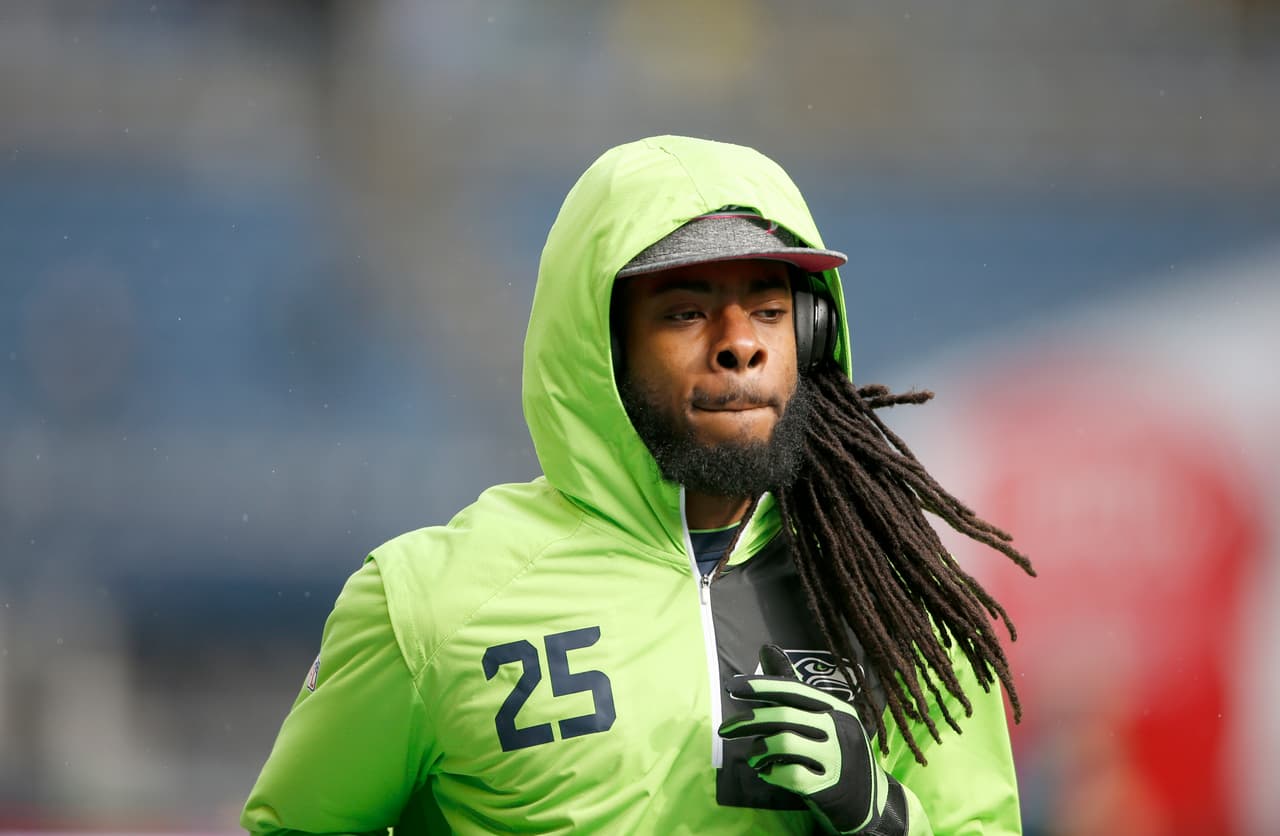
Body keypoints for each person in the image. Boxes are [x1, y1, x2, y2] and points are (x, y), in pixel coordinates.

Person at [241, 135, 1035, 834]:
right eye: (687, 313)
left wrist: (879, 816)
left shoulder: (900, 608)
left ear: (814, 334)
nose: (740, 345)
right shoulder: (426, 602)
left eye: (768, 310)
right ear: (602, 349)